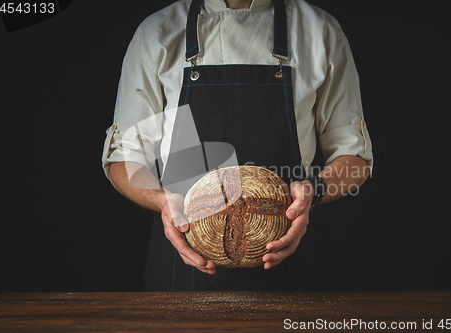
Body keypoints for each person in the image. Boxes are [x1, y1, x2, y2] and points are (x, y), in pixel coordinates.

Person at [102, 0, 373, 291]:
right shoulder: (158, 32)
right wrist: (162, 202)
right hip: (181, 274)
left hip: (286, 270)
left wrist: (314, 189)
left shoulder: (319, 31)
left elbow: (354, 157)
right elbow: (124, 159)